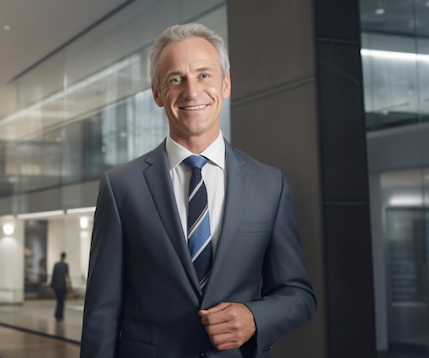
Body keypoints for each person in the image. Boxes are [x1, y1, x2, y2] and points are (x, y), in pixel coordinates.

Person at [80, 23, 316, 358]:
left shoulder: (269, 185)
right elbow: (102, 312)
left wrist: (253, 317)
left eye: (204, 75)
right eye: (176, 79)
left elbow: (299, 294)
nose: (192, 91)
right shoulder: (121, 188)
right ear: (158, 94)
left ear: (226, 83)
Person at [50, 251, 71, 322]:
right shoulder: (65, 265)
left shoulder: (56, 265)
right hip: (62, 285)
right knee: (62, 301)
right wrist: (70, 286)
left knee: (58, 300)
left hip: (57, 286)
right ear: (65, 257)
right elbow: (67, 276)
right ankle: (60, 315)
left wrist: (52, 285)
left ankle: (57, 314)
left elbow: (53, 275)